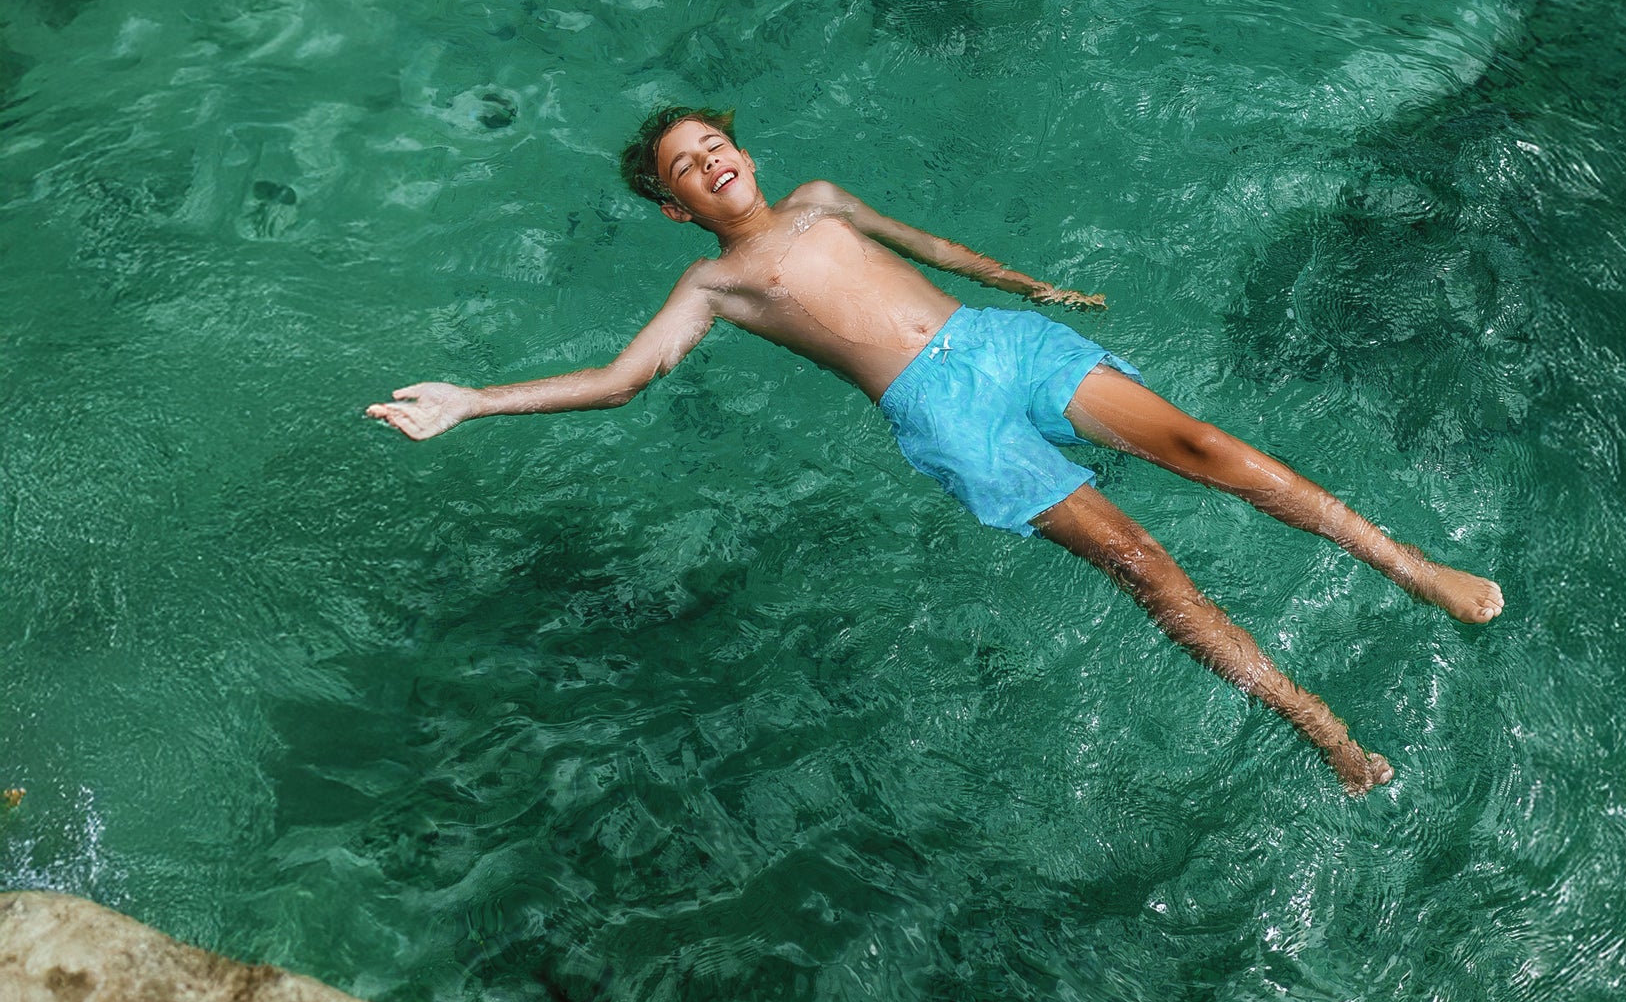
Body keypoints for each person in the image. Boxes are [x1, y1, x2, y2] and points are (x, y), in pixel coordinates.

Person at [367, 106, 1502, 793]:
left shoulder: (821, 201)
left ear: (743, 151)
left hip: (999, 343)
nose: (708, 164)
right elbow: (622, 379)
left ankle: (1415, 569)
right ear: (676, 208)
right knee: (1143, 564)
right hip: (945, 418)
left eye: (713, 144)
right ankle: (1320, 728)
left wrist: (1036, 288)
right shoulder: (712, 284)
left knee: (1206, 445)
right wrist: (477, 401)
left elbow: (935, 248)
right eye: (684, 169)